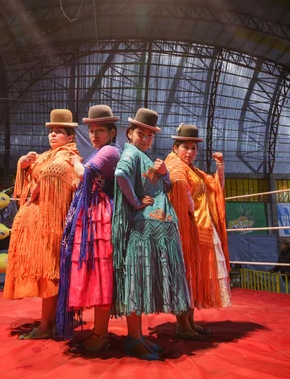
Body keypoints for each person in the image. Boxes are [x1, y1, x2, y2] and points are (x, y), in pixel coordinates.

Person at [112, 108, 191, 360]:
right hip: (143, 229)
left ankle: (139, 338)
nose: (146, 138)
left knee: (142, 282)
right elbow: (120, 174)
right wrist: (135, 202)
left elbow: (164, 186)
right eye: (141, 133)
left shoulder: (145, 155)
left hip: (156, 229)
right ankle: (134, 340)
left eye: (150, 135)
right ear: (130, 133)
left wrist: (165, 174)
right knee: (136, 282)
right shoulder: (131, 152)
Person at [3, 109, 80, 340]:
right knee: (49, 273)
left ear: (70, 136)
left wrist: (39, 185)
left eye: (59, 132)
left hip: (52, 224)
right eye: (51, 131)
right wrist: (24, 164)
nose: (53, 135)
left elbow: (55, 174)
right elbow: (35, 175)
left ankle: (47, 325)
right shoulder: (48, 154)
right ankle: (56, 320)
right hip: (37, 223)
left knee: (51, 273)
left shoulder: (68, 155)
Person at [55, 105, 120, 353]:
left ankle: (101, 334)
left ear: (111, 132)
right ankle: (97, 332)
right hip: (90, 214)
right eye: (91, 130)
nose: (94, 135)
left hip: (99, 216)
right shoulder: (101, 151)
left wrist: (74, 160)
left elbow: (84, 174)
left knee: (100, 273)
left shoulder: (110, 151)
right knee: (93, 273)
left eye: (100, 130)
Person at [164, 124, 231, 338]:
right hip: (184, 230)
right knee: (184, 276)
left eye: (194, 148)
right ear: (175, 147)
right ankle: (182, 324)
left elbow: (214, 187)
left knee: (191, 277)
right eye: (185, 147)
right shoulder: (174, 167)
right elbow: (178, 191)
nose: (190, 152)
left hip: (199, 228)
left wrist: (219, 166)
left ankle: (189, 322)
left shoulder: (193, 170)